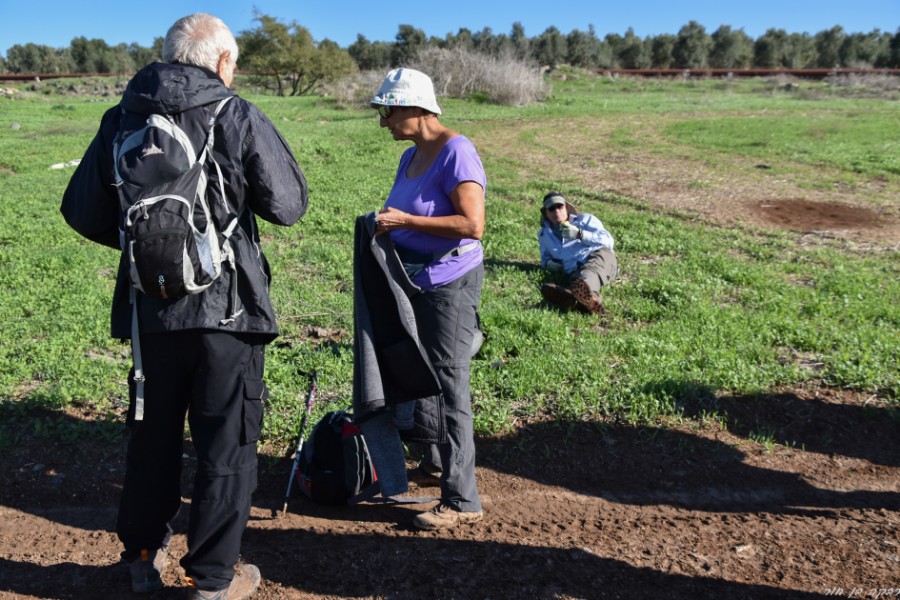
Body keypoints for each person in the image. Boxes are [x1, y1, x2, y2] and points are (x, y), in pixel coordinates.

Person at [60, 13, 308, 599]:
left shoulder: (121, 118)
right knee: (227, 443)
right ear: (223, 62)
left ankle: (143, 561)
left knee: (153, 439)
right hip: (228, 312)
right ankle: (214, 579)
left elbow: (81, 210)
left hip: (150, 313)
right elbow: (289, 204)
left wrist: (151, 253)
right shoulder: (236, 112)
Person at [369, 68, 486, 530]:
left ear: (415, 108)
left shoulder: (457, 152)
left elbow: (472, 225)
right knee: (419, 374)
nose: (384, 122)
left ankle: (462, 499)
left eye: (388, 111)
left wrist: (405, 224)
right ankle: (435, 459)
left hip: (450, 283)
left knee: (451, 381)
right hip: (413, 282)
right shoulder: (410, 156)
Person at [538, 191, 617, 314]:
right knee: (577, 279)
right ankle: (577, 299)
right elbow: (545, 258)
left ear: (567, 208)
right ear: (546, 213)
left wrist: (580, 234)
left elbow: (608, 241)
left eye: (560, 206)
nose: (556, 211)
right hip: (574, 270)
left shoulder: (585, 220)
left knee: (589, 273)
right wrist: (548, 264)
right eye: (551, 209)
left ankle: (590, 298)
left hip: (599, 257)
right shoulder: (544, 234)